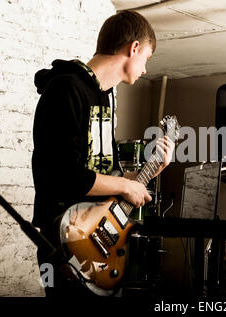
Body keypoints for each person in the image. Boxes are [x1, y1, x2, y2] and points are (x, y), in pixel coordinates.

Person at [31, 10, 174, 297]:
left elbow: (100, 175)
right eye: (146, 58)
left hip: (100, 238)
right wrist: (125, 185)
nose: (145, 69)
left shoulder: (104, 95)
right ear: (133, 48)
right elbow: (66, 176)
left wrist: (150, 170)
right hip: (67, 241)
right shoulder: (66, 88)